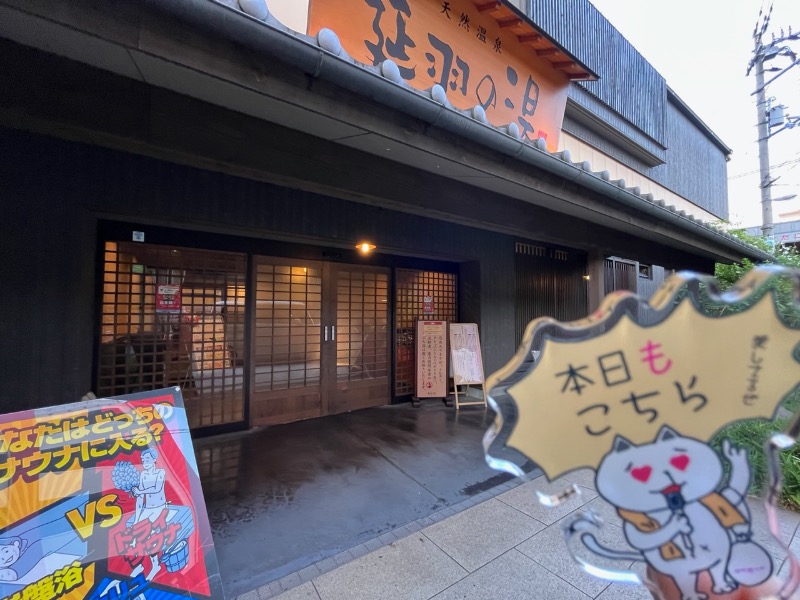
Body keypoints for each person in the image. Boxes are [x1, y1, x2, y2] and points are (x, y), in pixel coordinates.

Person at [130, 448, 167, 581]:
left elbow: (157, 488)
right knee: (134, 536)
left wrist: (140, 491)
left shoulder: (160, 472)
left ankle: (155, 565)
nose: (144, 462)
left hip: (160, 507)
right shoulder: (143, 475)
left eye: (147, 459)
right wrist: (137, 517)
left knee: (148, 534)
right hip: (148, 508)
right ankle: (139, 565)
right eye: (142, 460)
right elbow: (140, 499)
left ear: (153, 460)